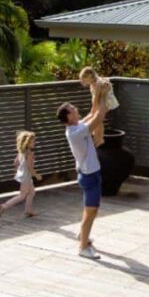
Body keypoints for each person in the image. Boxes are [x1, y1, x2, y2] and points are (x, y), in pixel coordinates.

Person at [57, 101, 106, 259]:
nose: (77, 110)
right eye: (73, 110)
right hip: (89, 176)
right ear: (68, 117)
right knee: (91, 211)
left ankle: (82, 236)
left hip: (90, 173)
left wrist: (97, 93)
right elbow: (98, 117)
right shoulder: (76, 132)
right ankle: (83, 247)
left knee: (91, 210)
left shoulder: (77, 127)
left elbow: (93, 113)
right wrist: (105, 96)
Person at [0, 130, 42, 218]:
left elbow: (15, 162)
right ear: (27, 142)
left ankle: (28, 210)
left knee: (32, 192)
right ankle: (5, 205)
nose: (34, 143)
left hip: (23, 175)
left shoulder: (21, 152)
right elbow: (30, 167)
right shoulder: (30, 153)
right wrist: (36, 175)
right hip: (26, 176)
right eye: (33, 141)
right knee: (22, 195)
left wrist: (17, 171)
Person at [78, 67, 119, 147]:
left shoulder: (97, 84)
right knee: (96, 117)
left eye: (84, 79)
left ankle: (98, 138)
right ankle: (97, 136)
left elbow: (96, 99)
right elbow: (94, 98)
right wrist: (92, 110)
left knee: (97, 117)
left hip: (106, 102)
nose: (83, 82)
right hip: (101, 100)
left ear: (90, 76)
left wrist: (93, 110)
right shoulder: (92, 84)